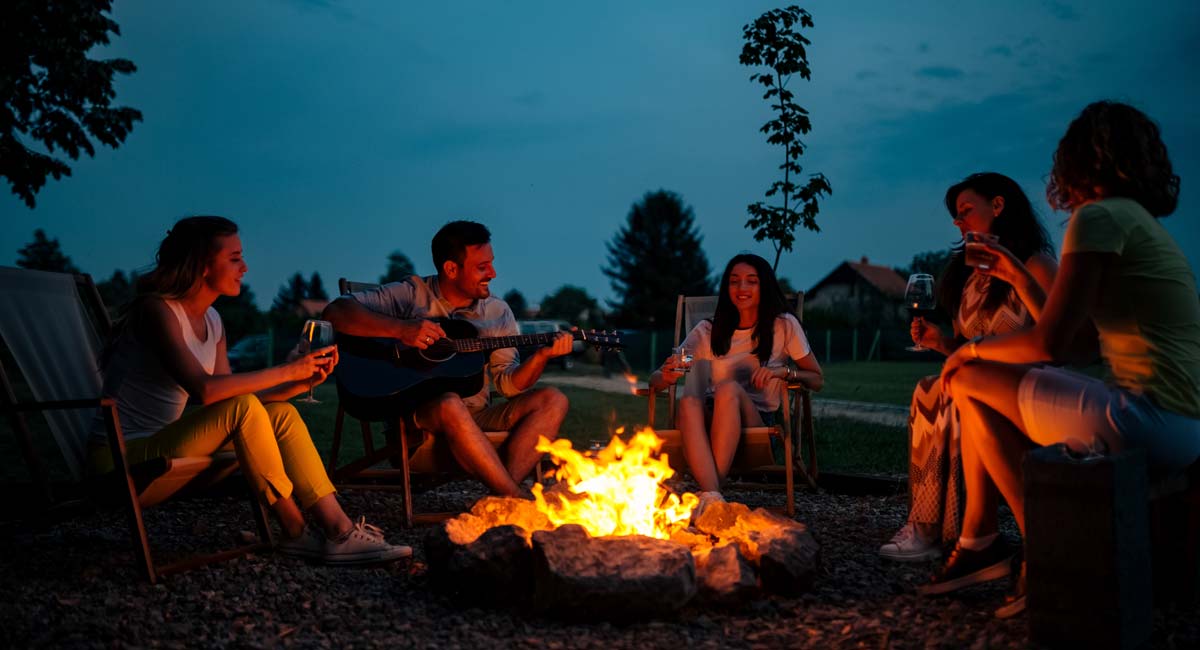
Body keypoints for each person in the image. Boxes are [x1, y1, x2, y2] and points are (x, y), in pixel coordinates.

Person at [926, 101, 1200, 618]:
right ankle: (982, 538)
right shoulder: (1138, 222)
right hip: (1184, 425)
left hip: (1144, 419)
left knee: (967, 379)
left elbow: (1051, 345)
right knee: (975, 383)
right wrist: (1016, 279)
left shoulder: (1097, 218)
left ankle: (1036, 549)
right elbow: (1084, 346)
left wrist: (969, 350)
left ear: (1078, 160)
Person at [90, 216, 410, 565]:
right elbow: (205, 390)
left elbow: (230, 399)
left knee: (282, 414)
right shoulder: (156, 310)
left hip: (165, 440)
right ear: (202, 264)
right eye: (234, 258)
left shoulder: (212, 320)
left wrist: (297, 383)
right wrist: (286, 369)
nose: (245, 267)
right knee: (244, 408)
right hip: (120, 456)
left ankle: (339, 529)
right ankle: (294, 531)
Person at [322, 220, 573, 497]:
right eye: (482, 267)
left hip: (477, 419)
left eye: (491, 263)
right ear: (451, 269)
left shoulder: (498, 311)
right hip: (419, 426)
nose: (493, 273)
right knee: (450, 403)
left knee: (554, 399)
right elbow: (337, 312)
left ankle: (502, 496)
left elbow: (508, 386)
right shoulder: (412, 294)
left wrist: (541, 356)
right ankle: (515, 497)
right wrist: (401, 329)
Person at [880, 173, 1058, 562]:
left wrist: (967, 353)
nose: (959, 223)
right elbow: (966, 350)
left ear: (998, 206)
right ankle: (939, 526)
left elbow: (1054, 343)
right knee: (933, 386)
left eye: (965, 212)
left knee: (938, 388)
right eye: (956, 217)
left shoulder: (1037, 265)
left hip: (1028, 388)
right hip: (977, 382)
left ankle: (942, 529)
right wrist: (941, 343)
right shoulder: (970, 280)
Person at [647, 253, 823, 495]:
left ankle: (710, 492)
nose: (742, 287)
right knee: (688, 402)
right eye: (734, 281)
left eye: (752, 281)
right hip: (706, 426)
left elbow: (816, 379)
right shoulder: (708, 332)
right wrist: (668, 374)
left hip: (757, 427)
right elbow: (660, 377)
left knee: (727, 389)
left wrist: (783, 372)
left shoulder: (783, 326)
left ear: (765, 286)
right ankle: (713, 497)